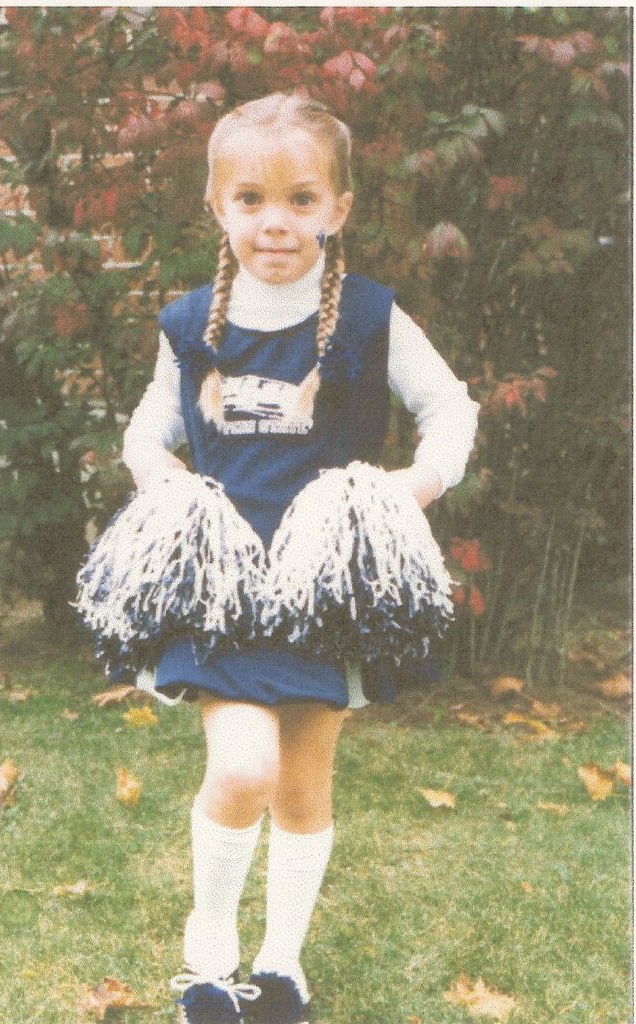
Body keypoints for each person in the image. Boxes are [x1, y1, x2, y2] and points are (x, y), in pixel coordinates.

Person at [121, 92, 480, 1024]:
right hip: (226, 590)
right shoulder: (191, 321)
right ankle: (207, 962)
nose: (275, 221)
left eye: (300, 199)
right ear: (216, 204)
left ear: (338, 209)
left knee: (303, 785)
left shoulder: (368, 315)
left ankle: (281, 968)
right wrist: (170, 490)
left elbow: (451, 407)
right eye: (250, 199)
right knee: (242, 768)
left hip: (328, 587)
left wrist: (410, 489)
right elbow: (143, 437)